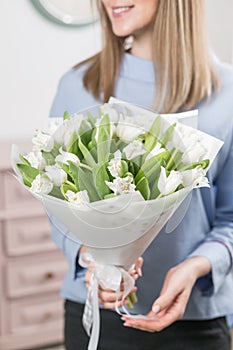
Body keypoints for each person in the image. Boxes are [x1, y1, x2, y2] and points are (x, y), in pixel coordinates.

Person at [49, 1, 233, 349]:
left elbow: (230, 218)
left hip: (195, 319)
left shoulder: (228, 93)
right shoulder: (77, 85)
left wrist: (195, 266)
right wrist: (93, 259)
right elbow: (56, 203)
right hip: (96, 315)